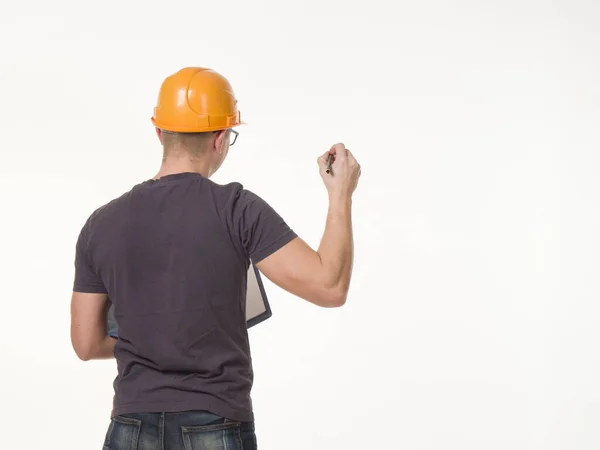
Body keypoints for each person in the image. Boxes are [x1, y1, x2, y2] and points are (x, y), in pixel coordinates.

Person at [69, 67, 361, 450]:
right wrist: (340, 192)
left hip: (130, 427)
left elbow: (86, 344)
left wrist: (146, 341)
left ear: (159, 132)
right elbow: (330, 287)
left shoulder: (100, 224)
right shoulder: (237, 209)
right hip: (215, 424)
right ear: (221, 139)